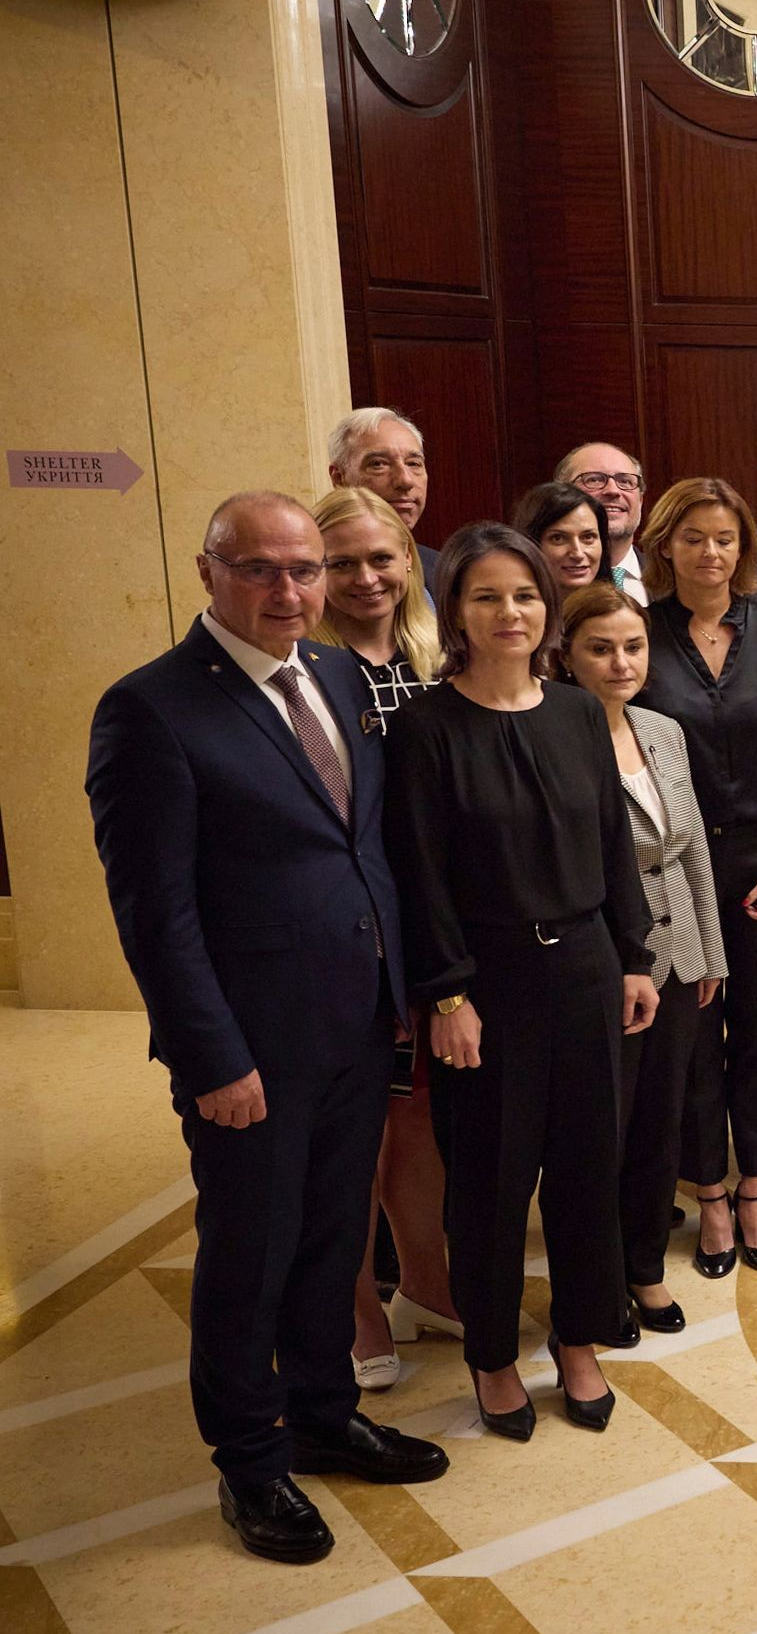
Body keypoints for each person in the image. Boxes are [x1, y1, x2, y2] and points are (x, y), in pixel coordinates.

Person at [88, 491, 448, 1565]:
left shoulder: (335, 674)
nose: (289, 591)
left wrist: (405, 992)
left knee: (337, 1235)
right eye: (261, 570)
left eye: (305, 570)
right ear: (208, 572)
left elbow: (360, 847)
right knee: (251, 1250)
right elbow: (155, 912)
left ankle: (326, 1414)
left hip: (355, 1022)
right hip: (250, 1047)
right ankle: (250, 1460)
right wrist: (212, 1057)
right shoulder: (150, 709)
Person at [389, 524, 660, 1439]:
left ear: (548, 606)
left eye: (526, 595)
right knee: (493, 1181)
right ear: (454, 612)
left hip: (585, 964)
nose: (510, 613)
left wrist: (634, 955)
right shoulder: (426, 727)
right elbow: (418, 874)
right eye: (487, 596)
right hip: (488, 982)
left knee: (588, 1167)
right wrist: (449, 994)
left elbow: (614, 845)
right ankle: (494, 1356)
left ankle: (579, 1340)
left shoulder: (580, 712)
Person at [635, 476, 757, 1277]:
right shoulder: (638, 636)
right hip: (673, 874)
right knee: (687, 1043)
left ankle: (755, 1187)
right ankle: (706, 1191)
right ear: (665, 546)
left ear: (744, 551)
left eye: (725, 539)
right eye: (693, 539)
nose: (710, 553)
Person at [309, 488, 460, 1388]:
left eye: (382, 559)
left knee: (422, 1118)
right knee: (357, 1129)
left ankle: (429, 1287)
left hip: (432, 921)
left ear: (410, 563)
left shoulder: (434, 656)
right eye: (343, 562)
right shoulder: (309, 667)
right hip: (354, 935)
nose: (366, 578)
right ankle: (359, 1305)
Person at [560, 583, 725, 1336]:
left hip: (680, 954)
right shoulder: (555, 733)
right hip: (603, 966)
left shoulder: (662, 729)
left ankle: (646, 1268)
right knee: (603, 1133)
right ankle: (596, 1283)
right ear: (566, 655)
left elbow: (690, 855)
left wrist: (711, 954)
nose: (620, 662)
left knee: (662, 1124)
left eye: (632, 646)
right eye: (600, 648)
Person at [327, 407, 437, 587]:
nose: (405, 480)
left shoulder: (444, 573)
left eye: (413, 464)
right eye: (379, 464)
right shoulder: (306, 575)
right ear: (339, 478)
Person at [559, 444, 650, 604]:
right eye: (594, 479)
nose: (613, 491)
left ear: (641, 500)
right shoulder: (537, 584)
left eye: (625, 481)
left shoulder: (673, 581)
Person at [514, 480, 612, 594]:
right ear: (531, 544)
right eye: (558, 538)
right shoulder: (511, 610)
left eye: (588, 537)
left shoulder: (622, 609)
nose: (578, 554)